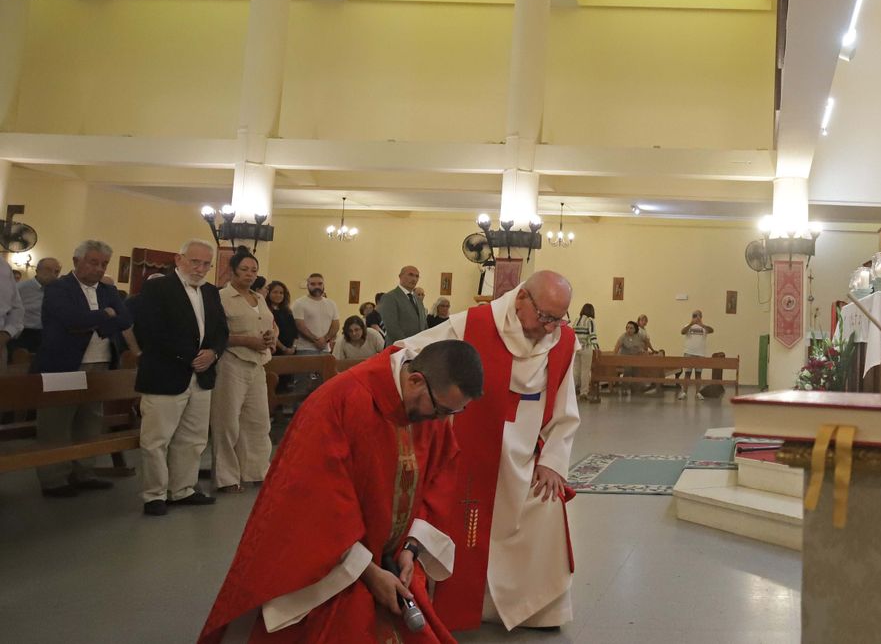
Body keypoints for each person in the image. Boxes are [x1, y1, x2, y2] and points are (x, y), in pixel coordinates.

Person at [198, 339, 483, 643]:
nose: (440, 420)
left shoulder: (428, 407)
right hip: (333, 569)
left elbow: (437, 481)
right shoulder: (341, 402)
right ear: (415, 380)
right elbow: (314, 507)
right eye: (440, 409)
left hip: (393, 563)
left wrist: (411, 549)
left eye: (453, 412)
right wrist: (369, 572)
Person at [399, 270, 581, 632]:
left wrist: (552, 461)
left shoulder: (563, 342)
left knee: (547, 503)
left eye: (558, 320)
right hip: (468, 457)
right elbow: (410, 351)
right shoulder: (474, 324)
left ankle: (534, 609)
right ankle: (474, 606)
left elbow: (566, 410)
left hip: (526, 458)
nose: (549, 329)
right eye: (545, 317)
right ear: (520, 299)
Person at [132, 238, 229, 515]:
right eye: (195, 262)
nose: (200, 269)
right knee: (157, 439)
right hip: (165, 373)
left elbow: (221, 331)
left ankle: (182, 489)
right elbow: (150, 331)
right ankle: (154, 495)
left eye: (206, 264)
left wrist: (213, 353)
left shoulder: (211, 292)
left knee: (194, 437)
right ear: (179, 260)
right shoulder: (157, 287)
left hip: (201, 375)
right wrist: (189, 357)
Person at [33, 240, 133, 497]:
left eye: (103, 264)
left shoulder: (108, 291)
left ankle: (85, 471)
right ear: (77, 261)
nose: (99, 269)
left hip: (99, 362)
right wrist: (104, 316)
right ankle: (54, 478)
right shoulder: (59, 288)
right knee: (57, 421)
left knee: (91, 419)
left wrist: (97, 319)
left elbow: (124, 319)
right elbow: (70, 320)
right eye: (93, 262)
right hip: (63, 364)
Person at [211, 247, 276, 494]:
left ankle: (256, 471)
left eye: (254, 270)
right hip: (232, 362)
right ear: (232, 271)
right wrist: (246, 340)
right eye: (244, 270)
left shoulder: (258, 298)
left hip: (258, 363)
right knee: (227, 421)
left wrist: (271, 336)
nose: (249, 275)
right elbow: (216, 334)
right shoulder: (221, 298)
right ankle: (226, 477)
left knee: (258, 421)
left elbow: (268, 323)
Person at [12, 256, 58, 361]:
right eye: (48, 270)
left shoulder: (57, 290)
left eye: (56, 271)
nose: (53, 274)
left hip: (46, 335)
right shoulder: (20, 288)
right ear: (37, 270)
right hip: (24, 335)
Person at [378, 265, 428, 344]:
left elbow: (424, 325)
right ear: (400, 276)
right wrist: (407, 345)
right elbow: (392, 327)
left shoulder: (418, 300)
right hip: (399, 348)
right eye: (410, 275)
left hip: (417, 348)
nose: (414, 279)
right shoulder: (390, 297)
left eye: (417, 276)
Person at [676, 310, 715, 400]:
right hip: (689, 353)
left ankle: (698, 393)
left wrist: (702, 324)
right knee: (687, 374)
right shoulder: (688, 326)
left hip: (700, 353)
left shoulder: (704, 327)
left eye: (698, 315)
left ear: (701, 317)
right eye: (694, 315)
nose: (696, 317)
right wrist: (691, 323)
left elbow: (712, 330)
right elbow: (682, 332)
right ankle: (684, 392)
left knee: (698, 374)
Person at [615, 320, 657, 394]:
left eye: (631, 328)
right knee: (628, 369)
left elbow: (647, 341)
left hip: (636, 358)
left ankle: (636, 388)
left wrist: (649, 349)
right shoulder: (623, 337)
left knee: (637, 369)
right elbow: (616, 349)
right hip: (625, 358)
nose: (629, 330)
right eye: (627, 328)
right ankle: (624, 388)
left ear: (635, 329)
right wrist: (615, 358)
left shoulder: (639, 335)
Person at [572, 303, 599, 402]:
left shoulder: (576, 321)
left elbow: (572, 334)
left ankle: (572, 390)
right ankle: (583, 392)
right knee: (585, 371)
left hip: (576, 347)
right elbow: (592, 336)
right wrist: (597, 348)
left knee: (575, 370)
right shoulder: (590, 321)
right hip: (586, 348)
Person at [262, 280, 297, 356]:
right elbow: (271, 332)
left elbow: (295, 333)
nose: (278, 295)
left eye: (281, 293)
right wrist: (283, 348)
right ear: (268, 293)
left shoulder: (287, 312)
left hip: (291, 352)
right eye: (275, 292)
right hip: (274, 351)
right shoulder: (265, 311)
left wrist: (293, 348)